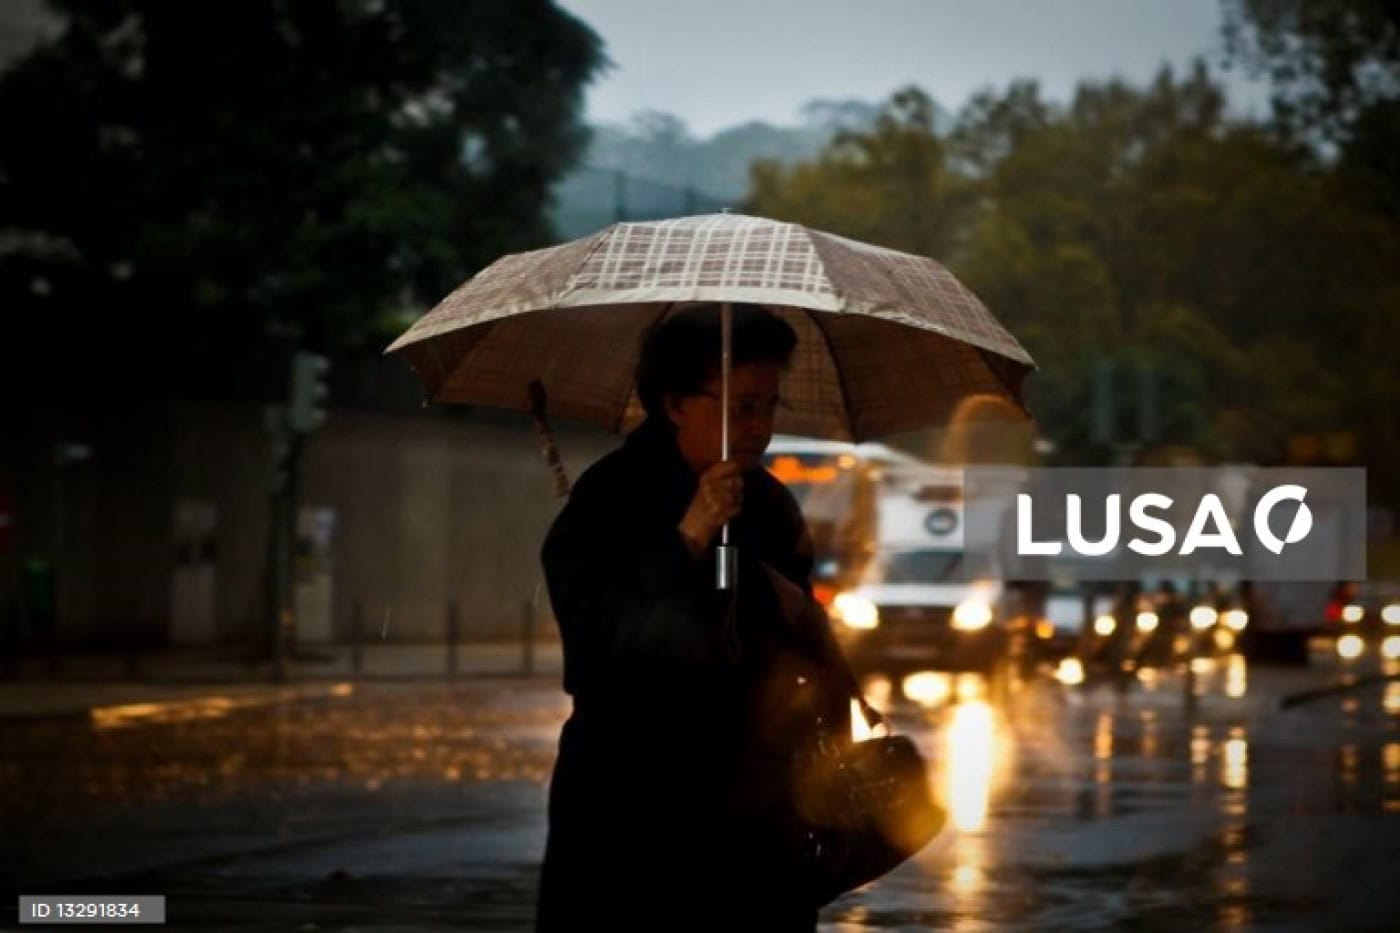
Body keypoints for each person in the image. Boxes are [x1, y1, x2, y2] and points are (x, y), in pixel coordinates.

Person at [535, 303, 871, 931]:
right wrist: (688, 537)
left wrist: (791, 608)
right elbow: (600, 650)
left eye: (770, 407)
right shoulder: (610, 498)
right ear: (674, 404)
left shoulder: (766, 504)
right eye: (742, 405)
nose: (760, 427)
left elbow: (789, 644)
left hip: (756, 823)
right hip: (631, 822)